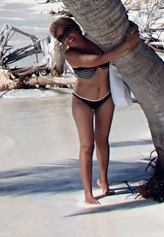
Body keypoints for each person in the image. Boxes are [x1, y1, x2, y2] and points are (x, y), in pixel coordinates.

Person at [50, 16, 141, 205]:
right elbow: (99, 59)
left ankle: (104, 182)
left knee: (103, 141)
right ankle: (88, 193)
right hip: (82, 101)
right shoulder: (71, 55)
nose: (67, 38)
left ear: (76, 28)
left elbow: (113, 36)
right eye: (62, 38)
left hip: (105, 98)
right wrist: (129, 43)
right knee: (86, 147)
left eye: (68, 31)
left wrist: (129, 33)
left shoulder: (97, 39)